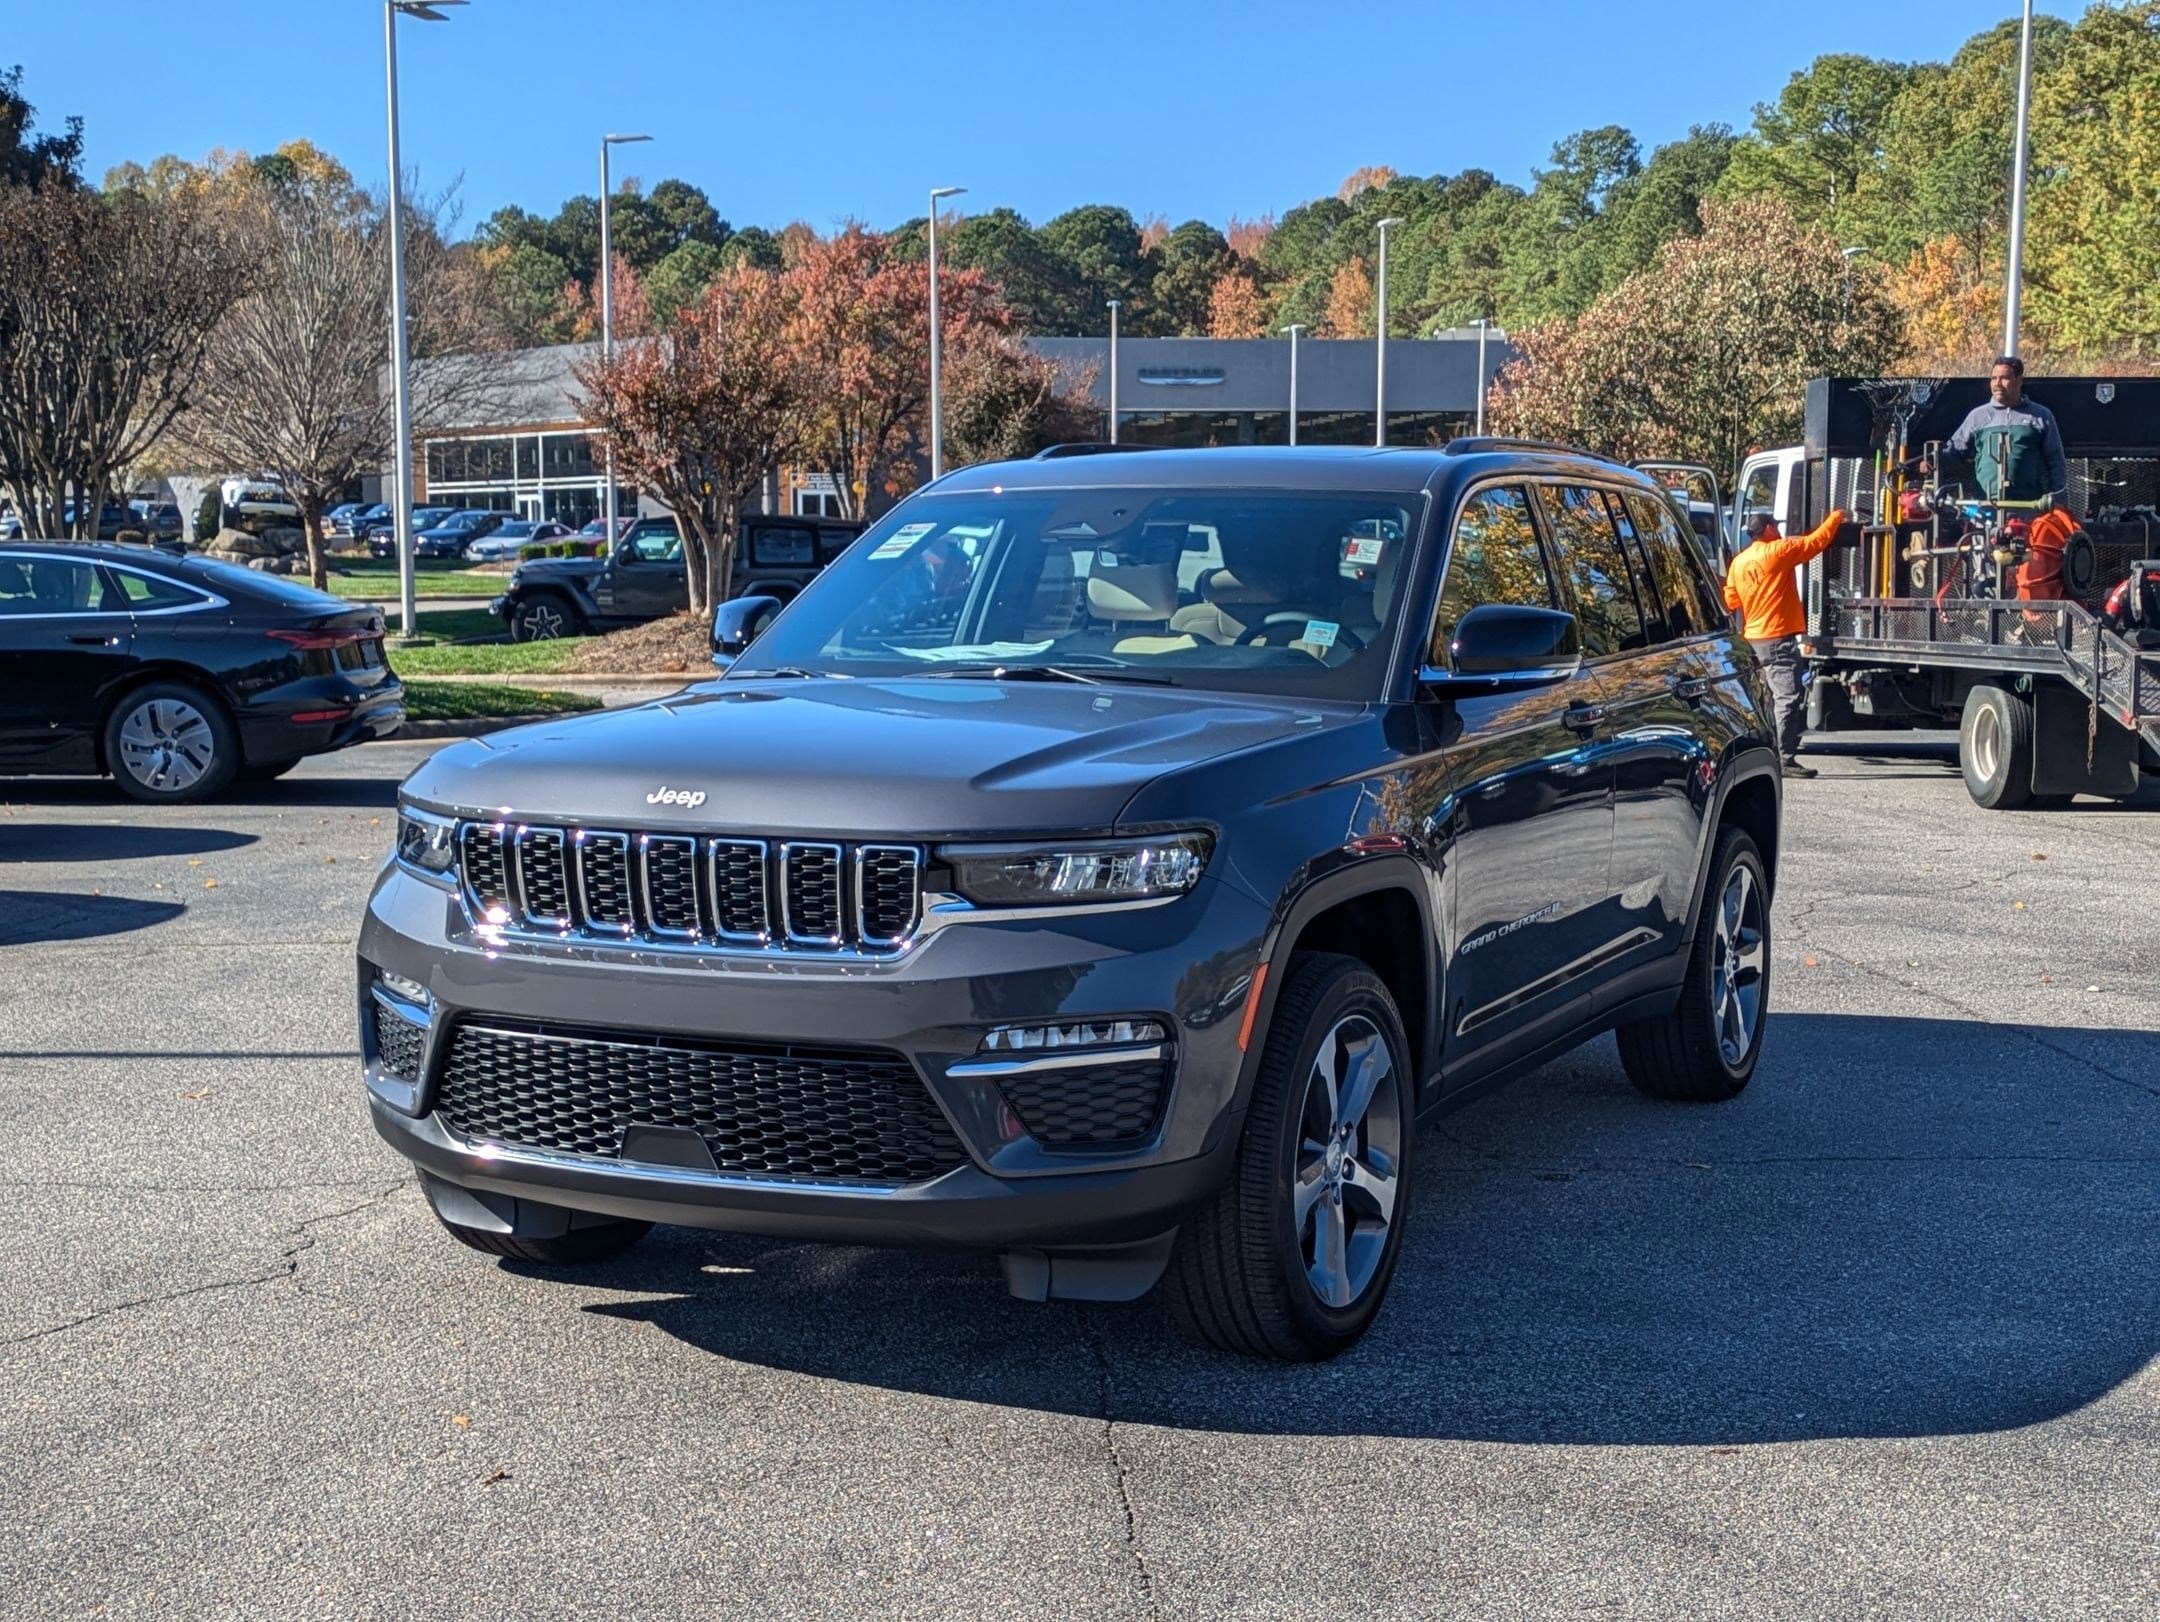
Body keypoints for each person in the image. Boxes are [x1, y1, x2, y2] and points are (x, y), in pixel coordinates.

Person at [1723, 507, 1848, 779]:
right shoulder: (1778, 551)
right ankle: (1785, 759)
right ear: (1767, 529)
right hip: (1779, 638)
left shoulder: (1739, 562)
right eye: (1775, 525)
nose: (1778, 529)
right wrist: (1836, 517)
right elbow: (1815, 542)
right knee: (1787, 698)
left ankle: (1767, 752)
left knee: (1768, 700)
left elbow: (1731, 601)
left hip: (1754, 638)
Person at [1938, 355, 2068, 506]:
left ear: (2019, 380)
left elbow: (2055, 460)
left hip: (2029, 507)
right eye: (1994, 378)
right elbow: (1955, 452)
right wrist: (1934, 461)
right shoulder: (1977, 416)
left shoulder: (2041, 415)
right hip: (1984, 506)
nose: (1997, 384)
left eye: (2004, 378)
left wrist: (2057, 499)